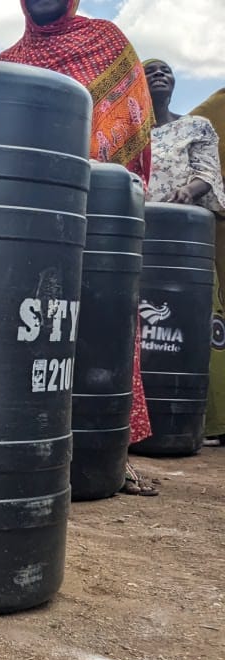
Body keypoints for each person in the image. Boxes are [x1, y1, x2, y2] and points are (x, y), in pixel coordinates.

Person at [0, 0, 156, 492]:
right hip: (28, 221)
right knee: (28, 335)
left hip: (96, 212)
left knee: (101, 327)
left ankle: (106, 454)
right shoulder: (7, 64)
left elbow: (132, 128)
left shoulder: (106, 42)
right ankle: (17, 448)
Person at [0, 0, 154, 184]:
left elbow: (130, 119)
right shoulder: (6, 64)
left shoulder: (105, 39)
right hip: (16, 187)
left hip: (95, 188)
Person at [184, 84, 225, 446]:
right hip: (197, 236)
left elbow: (208, 175)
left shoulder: (200, 119)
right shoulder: (209, 111)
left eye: (166, 70)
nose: (159, 77)